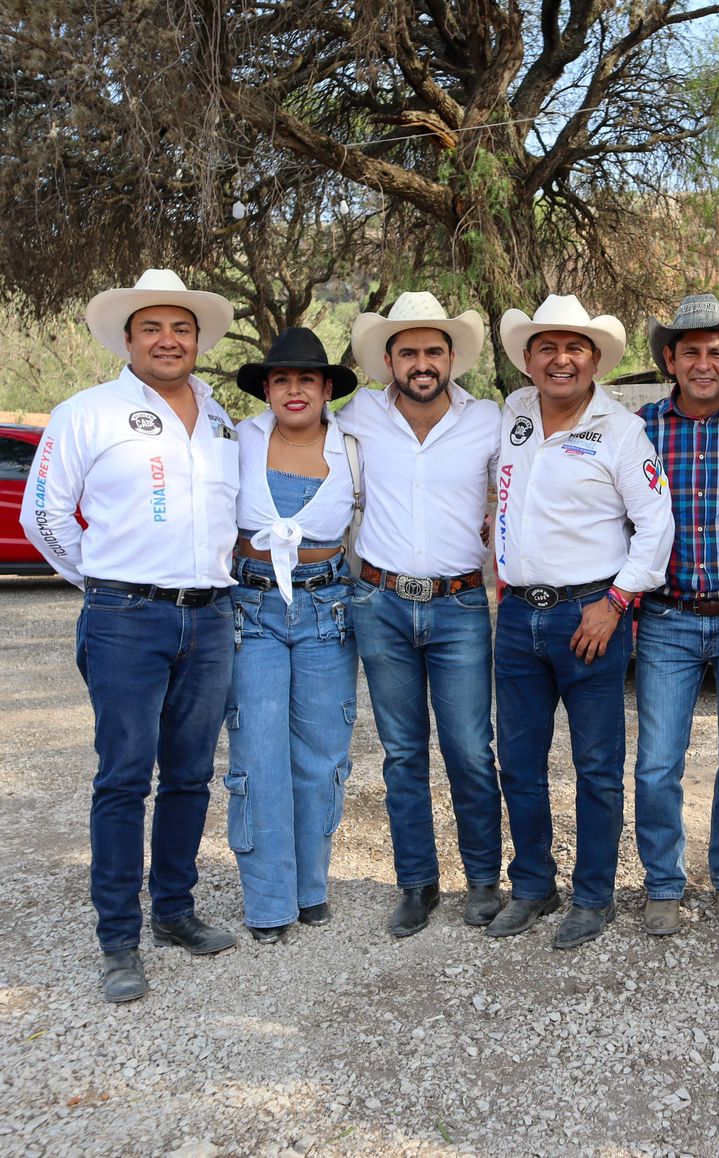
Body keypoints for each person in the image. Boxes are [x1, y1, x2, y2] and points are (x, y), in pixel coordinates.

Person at [24, 269, 241, 1002]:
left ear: (199, 340)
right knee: (123, 777)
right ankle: (118, 937)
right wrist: (106, 583)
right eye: (152, 327)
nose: (168, 340)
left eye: (181, 328)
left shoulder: (221, 420)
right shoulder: (85, 412)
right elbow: (43, 518)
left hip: (210, 617)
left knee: (189, 775)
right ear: (127, 339)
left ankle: (174, 912)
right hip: (125, 618)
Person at [489, 295, 673, 949]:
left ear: (594, 360)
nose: (560, 359)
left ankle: (593, 896)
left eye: (574, 348)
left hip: (590, 615)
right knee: (518, 762)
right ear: (529, 357)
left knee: (597, 766)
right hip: (517, 616)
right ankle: (533, 887)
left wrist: (616, 602)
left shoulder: (620, 431)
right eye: (547, 347)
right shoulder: (513, 414)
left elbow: (657, 523)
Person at [338, 292, 505, 938]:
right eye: (408, 351)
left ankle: (484, 878)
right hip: (379, 603)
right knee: (402, 752)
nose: (422, 362)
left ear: (451, 357)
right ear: (389, 360)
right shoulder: (358, 418)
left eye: (433, 350)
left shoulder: (486, 419)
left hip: (460, 603)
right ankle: (416, 882)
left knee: (468, 748)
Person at [633, 294, 719, 934]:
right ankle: (662, 881)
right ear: (670, 359)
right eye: (691, 352)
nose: (705, 363)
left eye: (717, 352)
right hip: (667, 617)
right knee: (659, 759)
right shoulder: (642, 429)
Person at [225, 328, 361, 943]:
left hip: (326, 609)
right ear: (268, 390)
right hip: (250, 609)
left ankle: (311, 887)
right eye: (282, 380)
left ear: (327, 388)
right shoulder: (238, 440)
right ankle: (269, 901)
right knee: (258, 755)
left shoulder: (355, 448)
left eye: (308, 379)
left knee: (322, 754)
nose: (295, 390)